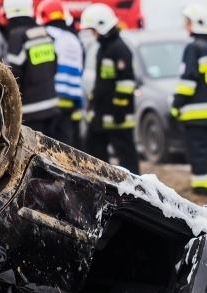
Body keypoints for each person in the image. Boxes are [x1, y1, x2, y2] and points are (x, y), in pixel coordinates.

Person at [172, 4, 207, 195]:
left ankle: (204, 190)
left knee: (199, 152)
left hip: (194, 114)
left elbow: (188, 82)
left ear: (197, 24)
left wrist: (176, 104)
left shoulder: (193, 48)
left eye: (187, 22)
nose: (185, 26)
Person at [80, 4, 139, 174]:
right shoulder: (104, 48)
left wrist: (118, 110)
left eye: (93, 29)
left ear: (101, 25)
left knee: (127, 157)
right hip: (101, 117)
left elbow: (126, 83)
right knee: (94, 154)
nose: (92, 34)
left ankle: (135, 191)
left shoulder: (119, 49)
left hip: (117, 118)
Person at [4, 0, 60, 137]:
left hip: (31, 110)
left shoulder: (17, 35)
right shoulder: (43, 32)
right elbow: (54, 64)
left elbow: (13, 74)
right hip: (51, 105)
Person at [38, 0, 84, 148]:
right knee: (69, 142)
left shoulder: (48, 35)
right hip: (73, 100)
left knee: (52, 144)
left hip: (54, 98)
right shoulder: (74, 38)